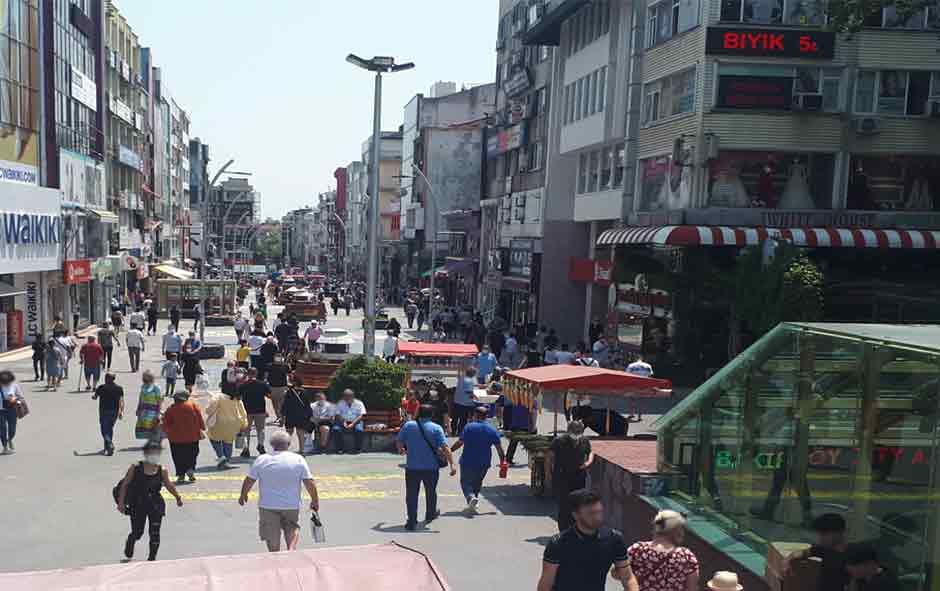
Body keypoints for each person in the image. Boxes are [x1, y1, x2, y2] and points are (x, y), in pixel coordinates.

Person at [238, 430, 320, 552]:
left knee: (271, 535)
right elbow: (309, 482)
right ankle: (291, 550)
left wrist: (243, 494)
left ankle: (275, 555)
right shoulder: (298, 459)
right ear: (288, 444)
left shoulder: (262, 459)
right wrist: (315, 500)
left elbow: (249, 480)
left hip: (268, 505)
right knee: (292, 527)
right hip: (291, 505)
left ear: (272, 445)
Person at [539, 490, 636, 591]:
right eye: (591, 514)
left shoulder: (614, 539)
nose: (597, 517)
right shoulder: (558, 543)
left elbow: (628, 578)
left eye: (599, 512)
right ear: (576, 515)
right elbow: (545, 585)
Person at [116, 442, 183, 562]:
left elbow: (168, 485)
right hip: (138, 503)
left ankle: (152, 558)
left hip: (155, 504)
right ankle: (131, 540)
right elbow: (125, 485)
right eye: (152, 453)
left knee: (155, 532)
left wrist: (177, 497)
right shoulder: (135, 468)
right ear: (146, 454)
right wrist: (121, 503)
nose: (155, 455)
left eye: (157, 453)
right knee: (138, 532)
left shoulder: (162, 470)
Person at [396, 404, 456, 531]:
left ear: (418, 412)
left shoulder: (409, 425)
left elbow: (399, 440)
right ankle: (430, 514)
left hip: (412, 467)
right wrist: (452, 464)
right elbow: (445, 447)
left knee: (412, 494)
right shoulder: (436, 428)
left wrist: (401, 449)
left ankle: (411, 520)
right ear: (432, 415)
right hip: (431, 468)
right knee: (431, 491)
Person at [450, 406, 505, 515]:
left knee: (465, 482)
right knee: (477, 482)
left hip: (468, 461)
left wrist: (450, 450)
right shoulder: (492, 429)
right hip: (484, 462)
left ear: (475, 415)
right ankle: (473, 498)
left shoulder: (469, 427)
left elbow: (460, 442)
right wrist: (503, 461)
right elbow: (499, 448)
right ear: (486, 416)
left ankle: (470, 497)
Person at [627, 510, 700, 591]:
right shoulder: (687, 556)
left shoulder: (637, 549)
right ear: (676, 531)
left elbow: (616, 573)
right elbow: (692, 588)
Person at [784, 513, 849, 591]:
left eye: (824, 534)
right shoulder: (823, 549)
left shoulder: (851, 556)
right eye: (819, 535)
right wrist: (787, 561)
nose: (820, 539)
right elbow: (801, 553)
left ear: (839, 533)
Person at [551, 420, 594, 532]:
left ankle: (576, 530)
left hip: (579, 477)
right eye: (574, 432)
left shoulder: (584, 441)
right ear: (568, 431)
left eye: (578, 432)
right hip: (562, 477)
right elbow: (550, 457)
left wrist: (588, 462)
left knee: (578, 505)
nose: (576, 434)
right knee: (564, 507)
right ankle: (564, 532)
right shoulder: (559, 441)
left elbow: (590, 452)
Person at [162, 391, 205, 484]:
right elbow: (199, 418)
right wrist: (202, 427)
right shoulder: (193, 406)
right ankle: (190, 469)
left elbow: (165, 423)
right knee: (193, 453)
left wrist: (166, 431)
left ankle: (181, 475)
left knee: (178, 456)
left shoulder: (171, 409)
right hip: (192, 436)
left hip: (175, 438)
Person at [206, 374, 248, 469]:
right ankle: (227, 461)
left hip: (219, 423)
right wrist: (244, 424)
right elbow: (243, 413)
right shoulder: (237, 398)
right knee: (228, 442)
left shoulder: (218, 397)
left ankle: (221, 457)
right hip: (234, 423)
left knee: (214, 438)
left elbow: (209, 409)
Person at [239, 368, 271, 458]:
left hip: (247, 411)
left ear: (248, 374)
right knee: (261, 429)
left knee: (246, 431)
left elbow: (238, 397)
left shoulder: (243, 385)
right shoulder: (262, 384)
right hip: (260, 410)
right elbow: (269, 395)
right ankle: (260, 445)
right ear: (256, 374)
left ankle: (246, 449)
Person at [93, 372, 124, 455]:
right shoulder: (119, 388)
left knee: (104, 430)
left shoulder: (101, 388)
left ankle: (109, 443)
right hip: (114, 412)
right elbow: (121, 401)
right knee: (109, 428)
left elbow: (95, 397)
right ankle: (107, 447)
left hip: (104, 411)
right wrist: (121, 411)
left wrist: (94, 396)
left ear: (106, 379)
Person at [280, 376, 312, 453]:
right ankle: (301, 449)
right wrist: (309, 415)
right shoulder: (305, 392)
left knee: (288, 433)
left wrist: (282, 415)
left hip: (290, 415)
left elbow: (285, 404)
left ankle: (285, 449)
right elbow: (307, 405)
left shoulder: (289, 392)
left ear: (294, 382)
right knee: (300, 433)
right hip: (301, 415)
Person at [332, 389, 366, 454]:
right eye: (345, 396)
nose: (346, 398)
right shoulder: (340, 402)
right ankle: (340, 449)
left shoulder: (359, 403)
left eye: (348, 396)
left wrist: (353, 423)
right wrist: (343, 422)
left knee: (359, 430)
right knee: (336, 429)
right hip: (342, 421)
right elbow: (338, 414)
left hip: (356, 421)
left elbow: (361, 416)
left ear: (352, 396)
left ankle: (358, 449)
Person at [135, 370, 163, 444]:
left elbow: (159, 400)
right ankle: (151, 440)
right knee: (146, 426)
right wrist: (138, 408)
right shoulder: (143, 386)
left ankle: (157, 440)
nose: (144, 380)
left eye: (146, 378)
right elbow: (141, 397)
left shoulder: (156, 387)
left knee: (154, 425)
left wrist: (159, 411)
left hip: (153, 410)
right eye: (144, 378)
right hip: (144, 410)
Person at [0, 371, 25, 454]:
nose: (6, 384)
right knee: (2, 429)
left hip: (12, 410)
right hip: (1, 411)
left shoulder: (14, 386)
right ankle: (5, 446)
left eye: (8, 382)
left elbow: (21, 397)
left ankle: (10, 439)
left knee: (12, 429)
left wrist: (15, 399)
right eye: (4, 382)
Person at [452, 367, 479, 435]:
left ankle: (453, 431)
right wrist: (477, 398)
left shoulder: (462, 378)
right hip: (465, 403)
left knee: (455, 418)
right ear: (473, 374)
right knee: (463, 419)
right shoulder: (469, 381)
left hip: (457, 401)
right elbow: (469, 392)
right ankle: (460, 432)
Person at [266, 356, 290, 423]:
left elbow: (289, 375)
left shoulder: (285, 366)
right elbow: (266, 375)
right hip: (272, 387)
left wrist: (288, 385)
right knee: (275, 403)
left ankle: (282, 417)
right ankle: (278, 416)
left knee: (282, 403)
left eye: (279, 357)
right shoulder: (269, 366)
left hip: (282, 387)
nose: (278, 359)